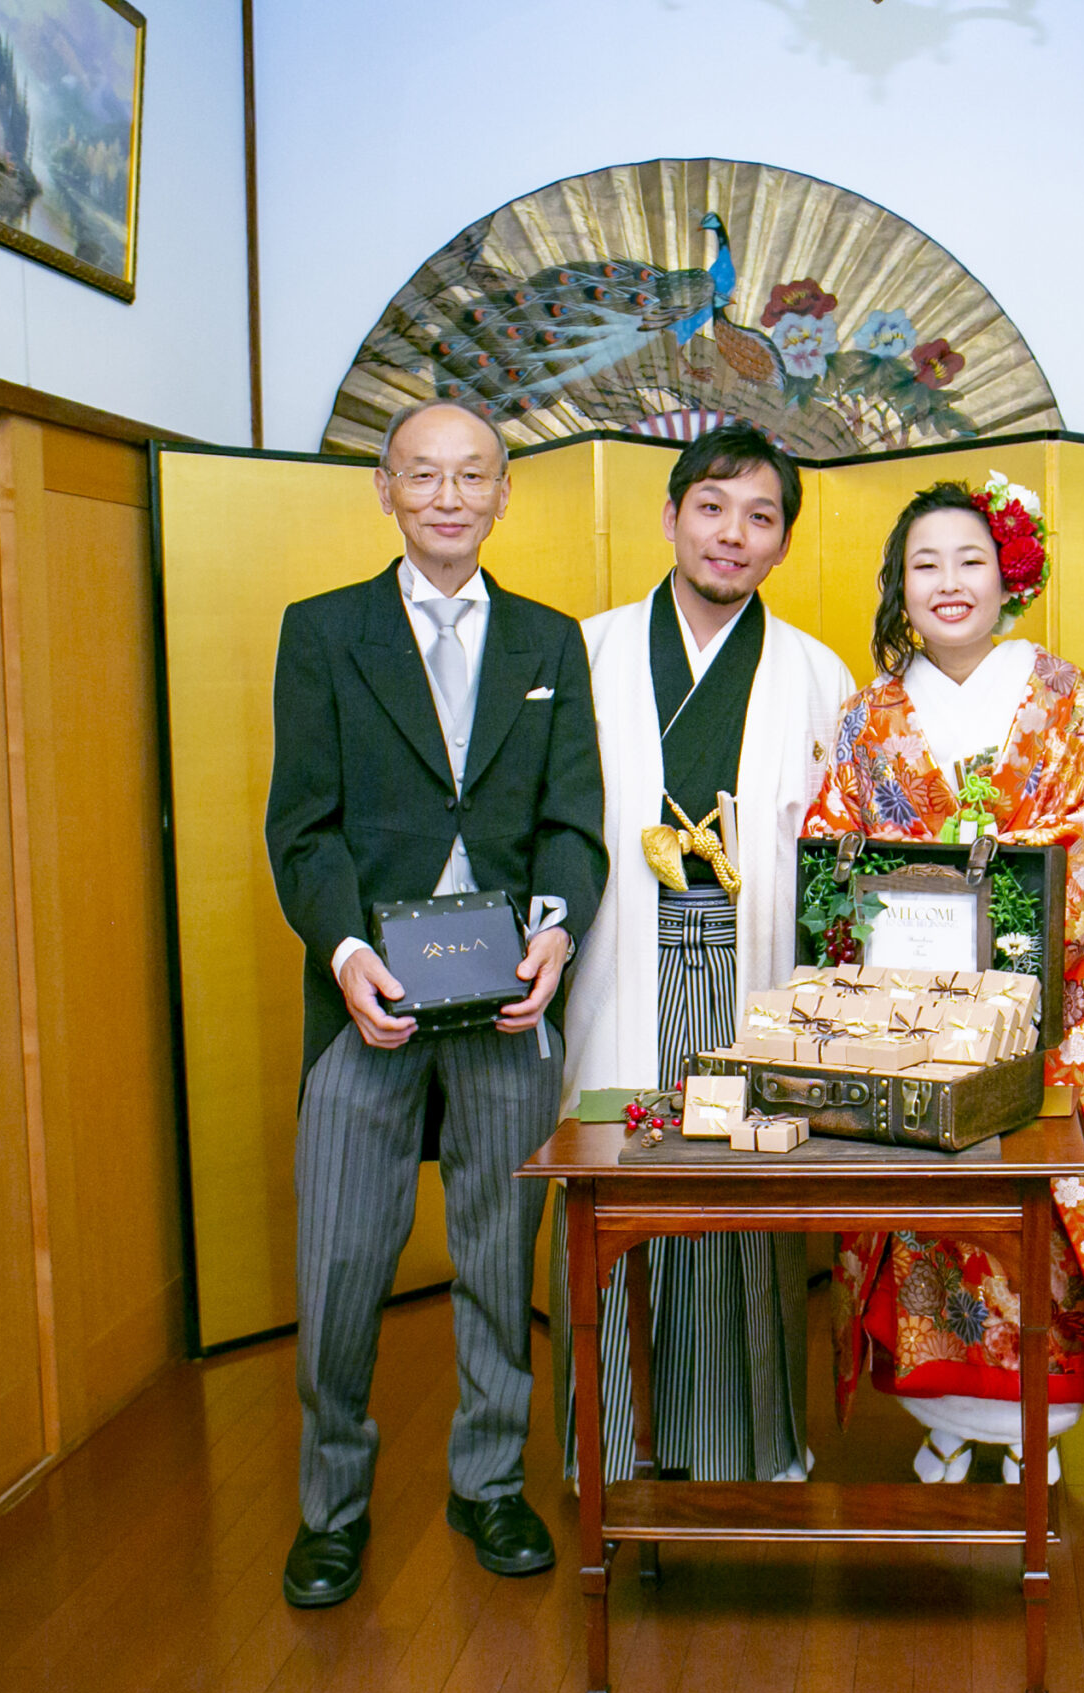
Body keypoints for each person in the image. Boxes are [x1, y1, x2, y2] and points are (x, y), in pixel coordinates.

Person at [265, 398, 607, 1605]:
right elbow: (301, 827)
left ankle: (490, 1484)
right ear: (385, 490)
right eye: (424, 475)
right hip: (372, 995)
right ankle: (332, 1505)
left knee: (496, 1258)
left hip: (505, 1003)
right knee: (340, 1264)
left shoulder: (549, 642)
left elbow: (572, 823)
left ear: (504, 493)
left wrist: (556, 933)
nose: (449, 497)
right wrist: (345, 951)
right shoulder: (322, 631)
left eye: (472, 476)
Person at [802, 478, 1084, 1484]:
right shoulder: (867, 718)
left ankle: (1039, 1424)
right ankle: (940, 1415)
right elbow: (832, 840)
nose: (948, 582)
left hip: (1043, 1008)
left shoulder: (1065, 695)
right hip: (909, 1012)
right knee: (926, 1206)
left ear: (1007, 576)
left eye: (969, 560)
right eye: (925, 564)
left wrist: (998, 923)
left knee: (1033, 1198)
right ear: (899, 587)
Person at [558, 421, 854, 1486]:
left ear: (783, 542)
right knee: (618, 1186)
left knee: (745, 1199)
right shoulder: (586, 652)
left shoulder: (817, 673)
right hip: (620, 967)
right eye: (712, 507)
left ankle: (751, 1445)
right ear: (671, 516)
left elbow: (834, 866)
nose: (733, 534)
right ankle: (613, 1457)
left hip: (755, 973)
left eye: (760, 516)